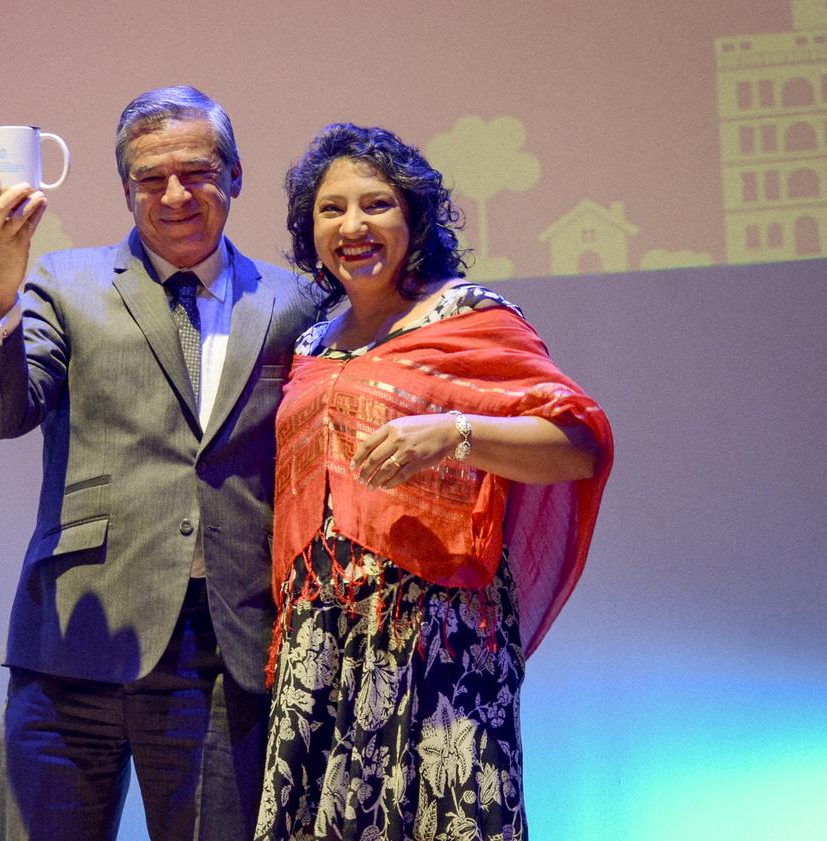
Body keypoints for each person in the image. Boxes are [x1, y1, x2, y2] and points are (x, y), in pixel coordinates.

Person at [0, 86, 317, 841]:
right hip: (71, 642)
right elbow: (1, 414)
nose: (175, 195)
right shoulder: (63, 282)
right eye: (150, 178)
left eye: (197, 172)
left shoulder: (296, 302)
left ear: (236, 174)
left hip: (223, 651)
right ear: (125, 189)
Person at [254, 124, 614, 840]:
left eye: (376, 204)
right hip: (321, 640)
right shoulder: (311, 342)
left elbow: (580, 444)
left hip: (437, 638)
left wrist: (455, 432)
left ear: (414, 218)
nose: (352, 226)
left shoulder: (470, 317)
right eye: (331, 210)